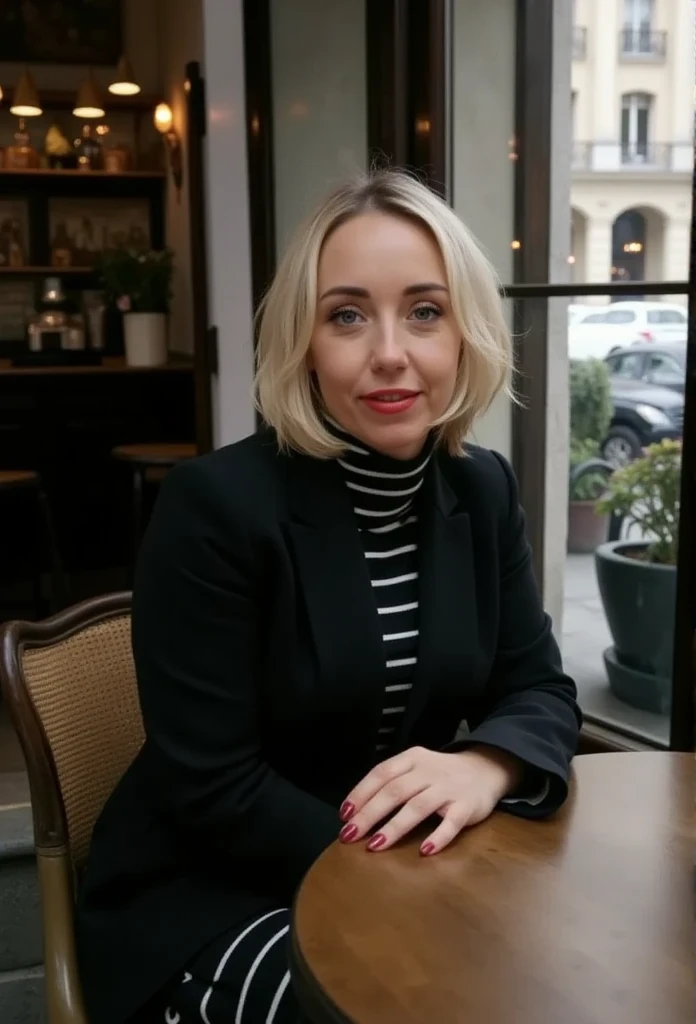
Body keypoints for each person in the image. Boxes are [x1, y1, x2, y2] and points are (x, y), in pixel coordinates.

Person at [76, 169, 581, 1024]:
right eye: (347, 315)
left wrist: (484, 763)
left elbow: (539, 688)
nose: (391, 351)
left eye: (425, 311)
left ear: (465, 332)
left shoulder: (482, 488)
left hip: (404, 876)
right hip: (213, 895)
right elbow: (212, 788)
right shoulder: (214, 506)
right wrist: (395, 875)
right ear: (302, 341)